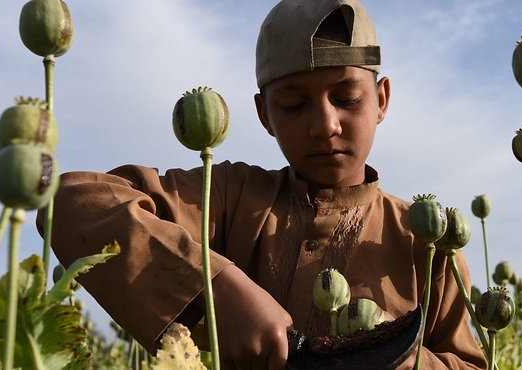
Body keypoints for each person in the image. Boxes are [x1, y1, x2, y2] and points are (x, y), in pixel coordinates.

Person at [39, 0, 487, 369]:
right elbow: (68, 202)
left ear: (382, 99)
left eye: (347, 99)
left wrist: (402, 359)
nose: (325, 125)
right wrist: (216, 287)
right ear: (263, 115)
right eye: (293, 105)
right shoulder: (228, 196)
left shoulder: (426, 242)